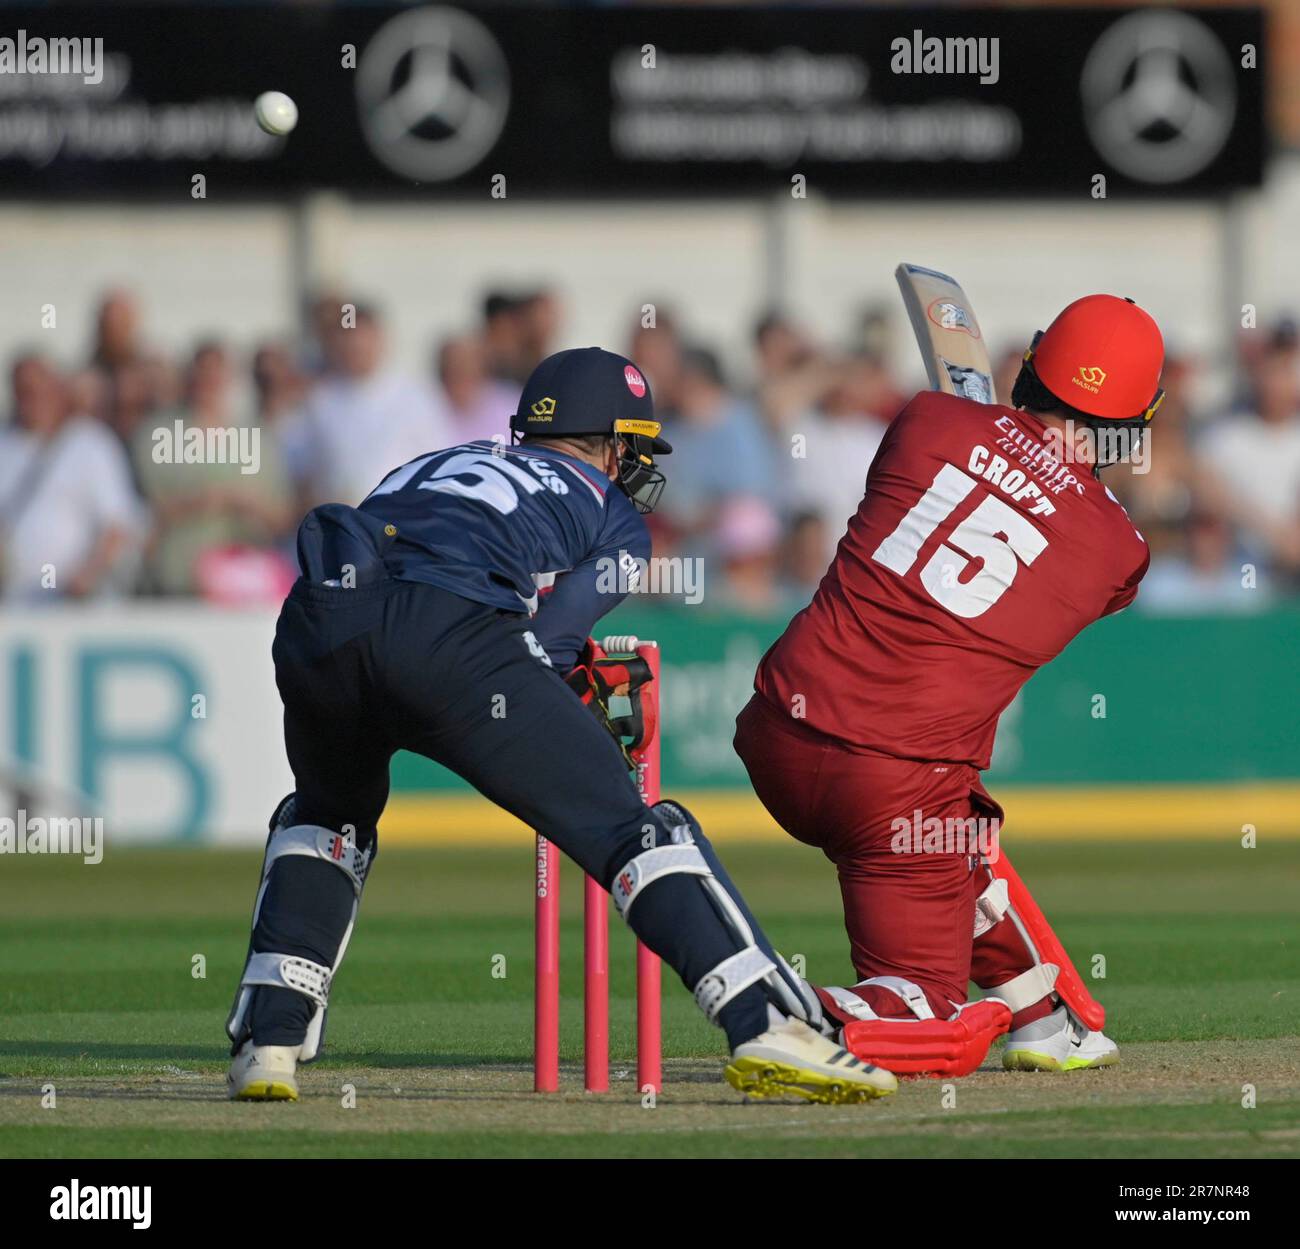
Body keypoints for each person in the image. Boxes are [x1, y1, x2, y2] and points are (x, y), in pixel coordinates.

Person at [225, 346, 896, 1105]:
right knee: (635, 831)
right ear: (614, 444)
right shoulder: (615, 515)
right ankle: (768, 1022)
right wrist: (569, 691)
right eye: (633, 448)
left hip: (319, 625)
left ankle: (269, 1041)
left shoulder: (433, 460)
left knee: (328, 816)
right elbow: (548, 642)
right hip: (449, 639)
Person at [734, 295, 1165, 1077]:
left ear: (1030, 366)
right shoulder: (1118, 549)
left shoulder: (927, 418)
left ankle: (1041, 1015)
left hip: (773, 730)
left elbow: (968, 470)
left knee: (964, 836)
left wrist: (997, 440)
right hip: (893, 787)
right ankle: (794, 1016)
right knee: (931, 1003)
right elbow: (1075, 545)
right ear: (1134, 427)